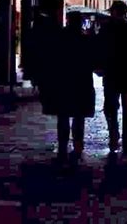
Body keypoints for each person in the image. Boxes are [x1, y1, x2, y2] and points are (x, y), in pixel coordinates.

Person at [97, 0, 127, 157]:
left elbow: (100, 50)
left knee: (111, 108)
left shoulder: (106, 28)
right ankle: (126, 140)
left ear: (115, 12)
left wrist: (100, 68)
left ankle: (114, 135)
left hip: (112, 75)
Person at [55, 11, 96, 164]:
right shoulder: (85, 40)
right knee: (79, 116)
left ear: (67, 21)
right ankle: (78, 147)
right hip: (81, 82)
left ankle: (62, 147)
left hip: (63, 82)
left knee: (63, 115)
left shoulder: (59, 39)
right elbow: (93, 61)